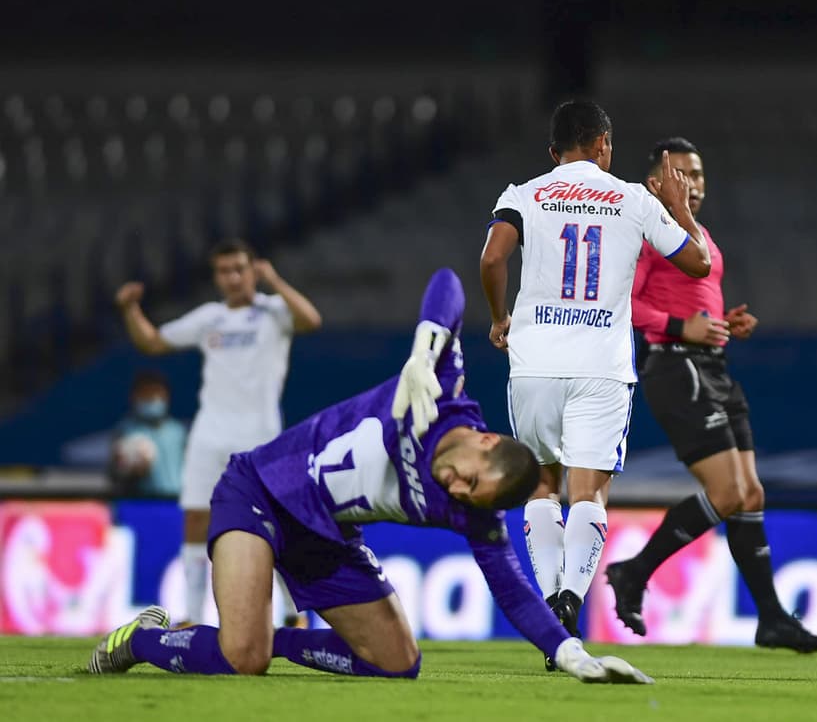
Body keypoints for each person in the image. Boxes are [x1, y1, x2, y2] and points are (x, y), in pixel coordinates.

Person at [87, 267, 653, 685]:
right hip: (259, 491)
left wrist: (572, 653)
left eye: (472, 496)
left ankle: (282, 640)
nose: (458, 492)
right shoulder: (440, 391)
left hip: (325, 537)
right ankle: (142, 639)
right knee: (243, 659)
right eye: (470, 481)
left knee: (397, 663)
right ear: (485, 442)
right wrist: (424, 346)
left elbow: (513, 590)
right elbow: (449, 284)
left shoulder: (470, 513)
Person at [480, 101, 711, 658]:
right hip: (600, 368)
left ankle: (549, 602)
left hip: (534, 362)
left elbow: (492, 260)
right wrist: (679, 210)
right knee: (590, 493)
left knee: (539, 484)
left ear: (553, 151)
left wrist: (498, 318)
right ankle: (570, 598)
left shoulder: (523, 194)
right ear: (604, 144)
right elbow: (698, 264)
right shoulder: (633, 198)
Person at [604, 137, 817, 653]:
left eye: (699, 174)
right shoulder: (648, 233)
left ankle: (772, 619)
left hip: (713, 367)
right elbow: (624, 304)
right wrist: (679, 327)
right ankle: (634, 572)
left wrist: (724, 324)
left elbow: (694, 302)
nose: (694, 184)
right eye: (682, 174)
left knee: (750, 494)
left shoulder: (698, 234)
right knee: (729, 493)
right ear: (656, 184)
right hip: (676, 366)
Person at [115, 238, 323, 627]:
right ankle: (192, 614)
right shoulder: (209, 317)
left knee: (275, 521)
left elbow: (311, 320)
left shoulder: (273, 312)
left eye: (239, 269)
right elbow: (153, 342)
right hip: (210, 432)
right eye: (224, 271)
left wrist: (275, 282)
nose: (232, 278)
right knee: (196, 519)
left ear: (253, 270)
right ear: (216, 277)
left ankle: (295, 613)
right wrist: (129, 309)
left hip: (259, 434)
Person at [109, 371, 188, 498]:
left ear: (166, 396)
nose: (152, 398)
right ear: (134, 397)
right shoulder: (125, 430)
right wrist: (128, 470)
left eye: (157, 393)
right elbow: (114, 474)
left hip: (176, 503)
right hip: (142, 503)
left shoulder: (178, 431)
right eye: (146, 394)